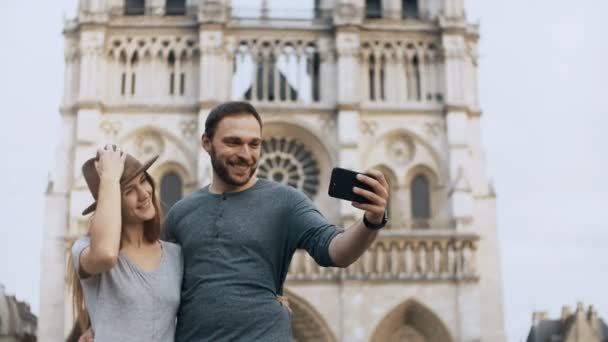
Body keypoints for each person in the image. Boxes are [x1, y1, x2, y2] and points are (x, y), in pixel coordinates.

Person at [164, 101, 389, 341]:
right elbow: (159, 282)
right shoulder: (180, 213)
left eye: (255, 144)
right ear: (206, 143)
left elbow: (335, 250)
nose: (246, 154)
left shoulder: (287, 201)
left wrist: (371, 221)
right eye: (233, 142)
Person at [69, 146, 292, 342]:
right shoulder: (85, 249)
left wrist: (263, 299)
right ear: (111, 200)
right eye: (128, 191)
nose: (143, 193)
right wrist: (109, 178)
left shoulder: (175, 255)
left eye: (143, 180)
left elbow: (214, 293)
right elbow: (106, 254)